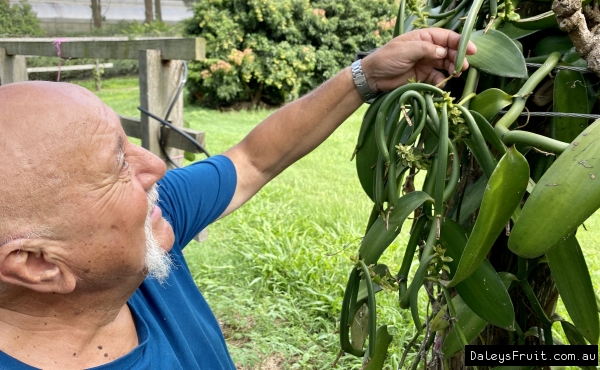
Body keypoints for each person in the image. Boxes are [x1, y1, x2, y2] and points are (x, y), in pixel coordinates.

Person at [0, 29, 475, 369]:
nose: (156, 168)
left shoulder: (141, 236)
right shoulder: (135, 240)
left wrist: (364, 75)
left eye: (129, 143)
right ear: (37, 264)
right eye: (118, 164)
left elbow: (252, 160)